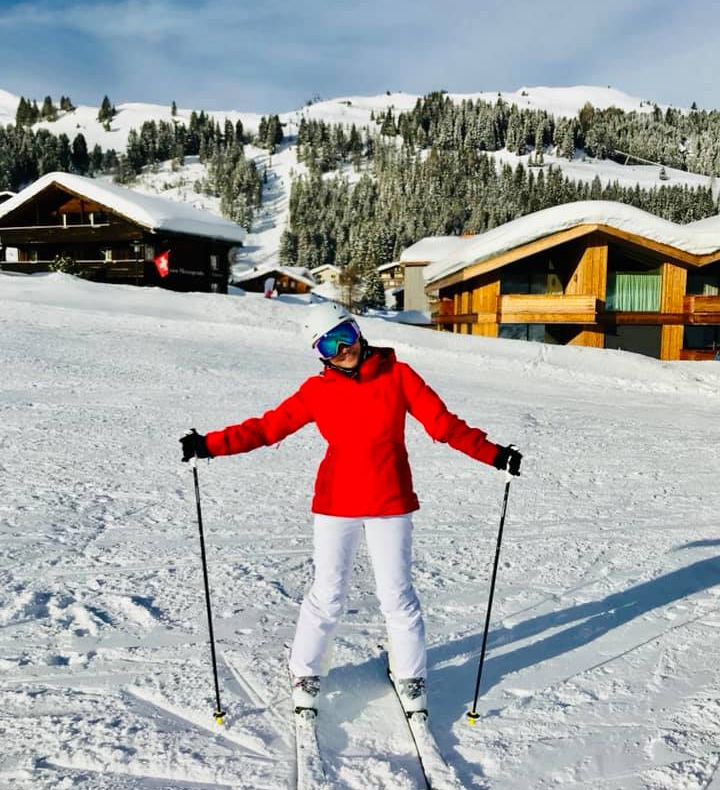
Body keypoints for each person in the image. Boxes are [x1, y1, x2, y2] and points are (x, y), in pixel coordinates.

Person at [180, 302, 522, 717]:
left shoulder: (399, 376)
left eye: (346, 336)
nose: (343, 349)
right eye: (330, 345)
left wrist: (494, 454)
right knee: (327, 594)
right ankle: (305, 671)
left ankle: (410, 674)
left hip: (390, 501)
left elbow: (443, 425)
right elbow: (267, 428)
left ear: (358, 331)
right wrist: (209, 445)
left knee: (397, 595)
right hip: (336, 504)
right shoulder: (316, 391)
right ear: (320, 354)